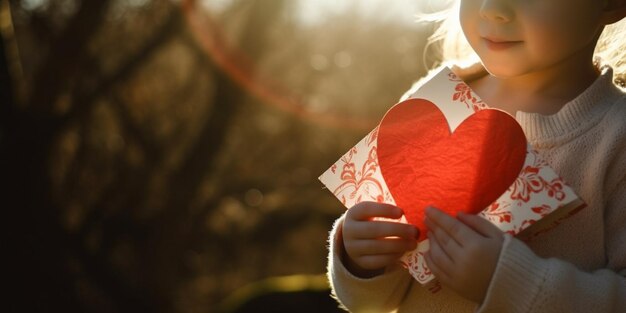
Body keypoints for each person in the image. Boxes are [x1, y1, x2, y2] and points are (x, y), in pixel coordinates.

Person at [327, 0, 626, 312]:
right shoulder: (430, 100)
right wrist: (359, 259)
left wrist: (515, 281)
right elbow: (374, 303)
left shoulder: (617, 138)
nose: (491, 8)